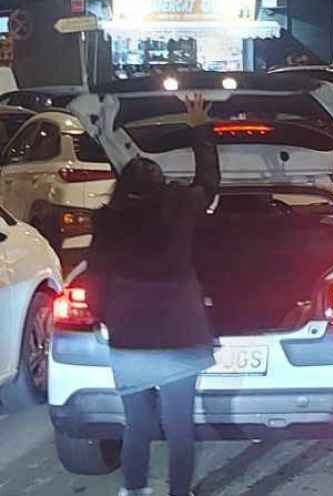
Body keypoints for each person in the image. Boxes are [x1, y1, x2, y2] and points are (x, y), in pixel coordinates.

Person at [86, 94, 220, 496]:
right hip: (181, 334)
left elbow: (95, 278)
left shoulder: (108, 221)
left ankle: (134, 490)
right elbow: (209, 184)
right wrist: (199, 127)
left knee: (138, 426)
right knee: (179, 427)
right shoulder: (179, 206)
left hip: (130, 339)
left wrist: (107, 319)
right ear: (161, 183)